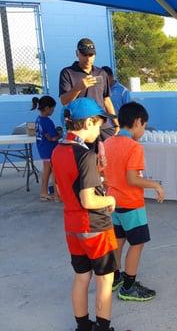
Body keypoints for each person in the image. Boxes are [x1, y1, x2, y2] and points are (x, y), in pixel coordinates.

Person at [51, 97, 118, 331]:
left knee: (81, 276)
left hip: (72, 226)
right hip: (95, 227)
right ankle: (102, 327)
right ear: (89, 122)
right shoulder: (85, 155)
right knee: (105, 278)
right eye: (99, 125)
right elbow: (88, 200)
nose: (99, 130)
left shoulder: (58, 151)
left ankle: (83, 326)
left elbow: (60, 191)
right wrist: (109, 198)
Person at [103, 102, 164, 301]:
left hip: (114, 203)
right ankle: (128, 286)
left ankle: (114, 278)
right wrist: (155, 185)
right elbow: (133, 179)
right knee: (137, 244)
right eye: (144, 126)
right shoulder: (134, 147)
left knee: (118, 241)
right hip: (131, 204)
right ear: (137, 122)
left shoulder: (109, 142)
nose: (144, 130)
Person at [59, 38, 120, 140]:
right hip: (82, 128)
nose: (88, 59)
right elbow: (64, 101)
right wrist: (78, 88)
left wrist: (116, 123)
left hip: (102, 125)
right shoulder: (67, 73)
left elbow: (106, 99)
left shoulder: (101, 73)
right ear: (77, 53)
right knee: (86, 156)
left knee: (107, 154)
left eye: (91, 55)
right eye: (84, 55)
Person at [32, 96, 60, 202]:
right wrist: (59, 135)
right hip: (49, 150)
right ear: (47, 108)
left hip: (43, 148)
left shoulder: (38, 119)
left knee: (47, 172)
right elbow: (52, 137)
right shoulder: (47, 121)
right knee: (54, 173)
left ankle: (44, 193)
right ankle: (56, 194)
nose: (53, 111)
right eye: (52, 109)